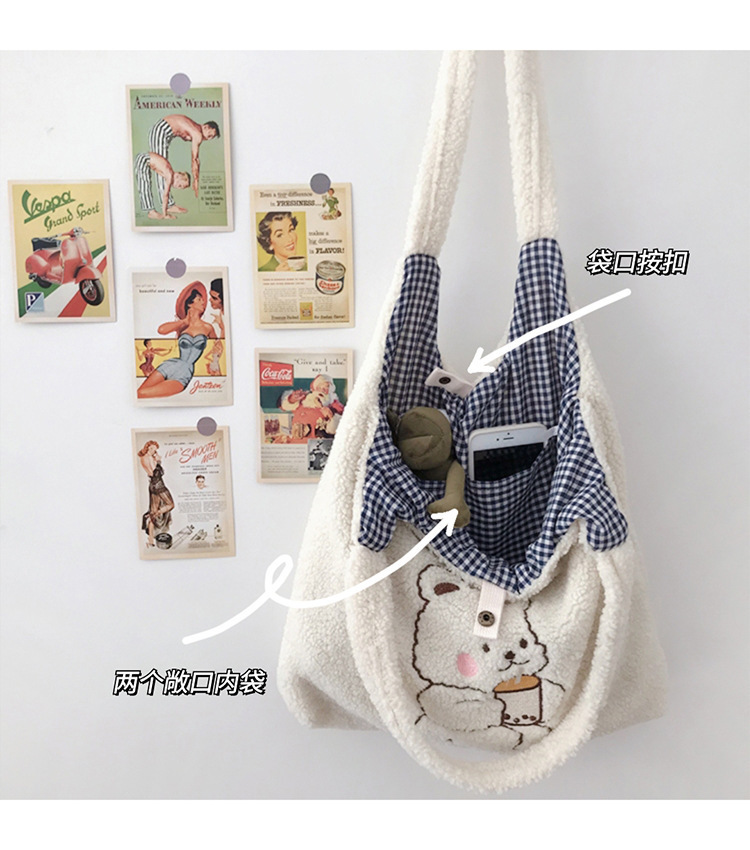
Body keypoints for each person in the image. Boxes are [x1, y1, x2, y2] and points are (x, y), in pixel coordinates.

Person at [137, 282, 217, 398]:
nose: (203, 302)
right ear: (190, 304)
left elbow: (218, 346)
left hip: (184, 373)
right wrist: (184, 321)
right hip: (170, 365)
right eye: (199, 300)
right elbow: (161, 330)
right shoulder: (182, 325)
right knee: (138, 393)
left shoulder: (208, 327)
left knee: (143, 394)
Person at [148, 115, 220, 207]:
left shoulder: (195, 128)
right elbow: (195, 159)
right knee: (163, 167)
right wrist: (196, 180)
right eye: (209, 135)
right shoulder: (197, 133)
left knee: (163, 167)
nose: (208, 139)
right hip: (162, 130)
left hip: (162, 130)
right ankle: (167, 205)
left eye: (211, 137)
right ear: (205, 127)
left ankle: (167, 204)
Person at [134, 152, 191, 220]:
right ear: (177, 176)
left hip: (145, 159)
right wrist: (165, 214)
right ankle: (151, 212)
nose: (177, 187)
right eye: (179, 185)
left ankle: (165, 208)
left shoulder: (168, 172)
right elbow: (165, 196)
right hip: (143, 159)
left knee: (146, 180)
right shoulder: (169, 175)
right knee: (144, 183)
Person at [138, 441, 174, 547]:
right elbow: (157, 473)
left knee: (153, 513)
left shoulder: (143, 457)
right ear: (148, 448)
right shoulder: (149, 458)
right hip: (158, 485)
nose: (154, 451)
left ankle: (150, 540)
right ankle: (154, 513)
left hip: (152, 486)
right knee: (171, 505)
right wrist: (158, 461)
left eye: (155, 449)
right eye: (153, 449)